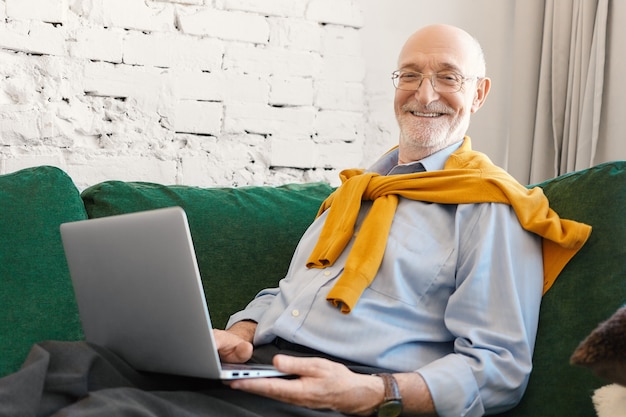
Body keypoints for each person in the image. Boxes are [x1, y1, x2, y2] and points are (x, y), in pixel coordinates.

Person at [213, 24, 590, 417]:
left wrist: (376, 392)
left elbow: (498, 367)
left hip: (356, 393)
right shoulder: (352, 194)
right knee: (143, 377)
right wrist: (241, 334)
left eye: (448, 77)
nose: (424, 94)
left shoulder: (491, 206)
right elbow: (289, 291)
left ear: (478, 94)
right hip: (257, 368)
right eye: (410, 75)